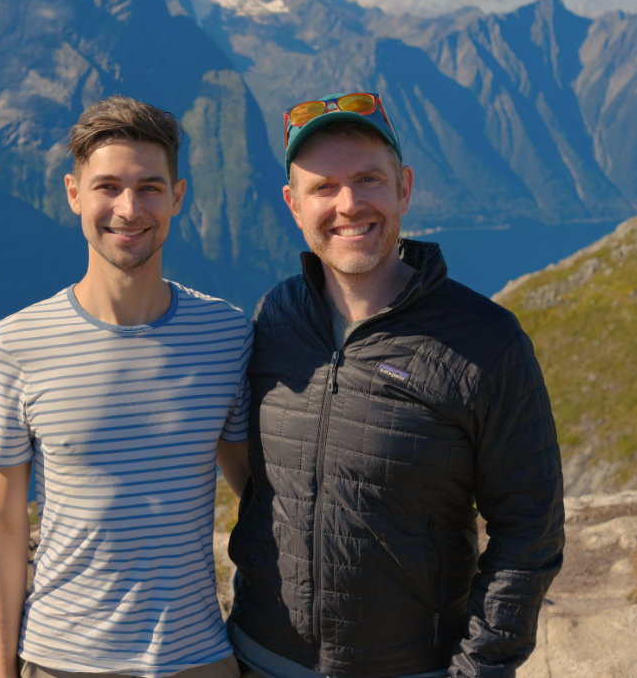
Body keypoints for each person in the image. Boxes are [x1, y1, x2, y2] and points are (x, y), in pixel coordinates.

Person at [222, 92, 565, 678]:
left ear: (404, 187)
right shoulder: (275, 317)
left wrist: (477, 670)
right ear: (293, 205)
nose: (348, 204)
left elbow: (530, 532)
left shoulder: (486, 343)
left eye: (367, 179)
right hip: (256, 657)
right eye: (322, 187)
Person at [0, 95, 252, 678]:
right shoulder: (13, 345)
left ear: (178, 197)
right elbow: (1, 524)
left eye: (150, 187)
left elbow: (259, 496)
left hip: (198, 659)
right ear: (74, 193)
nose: (129, 209)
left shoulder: (227, 335)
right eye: (107, 186)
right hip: (61, 661)